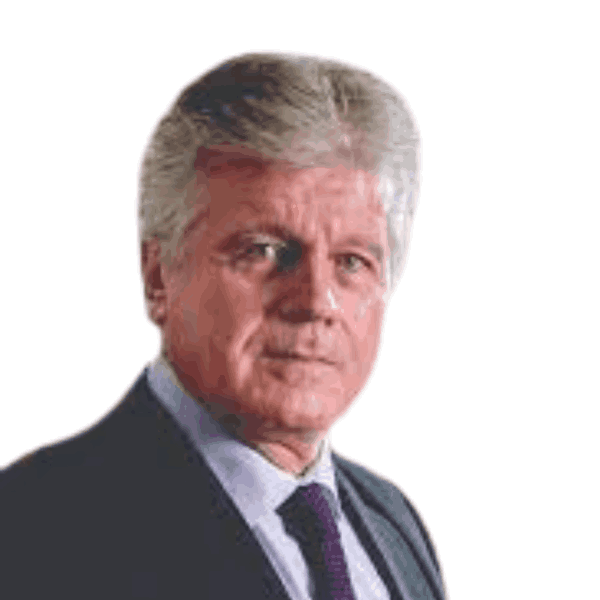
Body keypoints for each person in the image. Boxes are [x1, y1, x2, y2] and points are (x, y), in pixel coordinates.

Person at [0, 53, 446, 600]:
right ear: (158, 276)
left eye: (352, 262)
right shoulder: (34, 527)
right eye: (264, 250)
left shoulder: (392, 521)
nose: (316, 301)